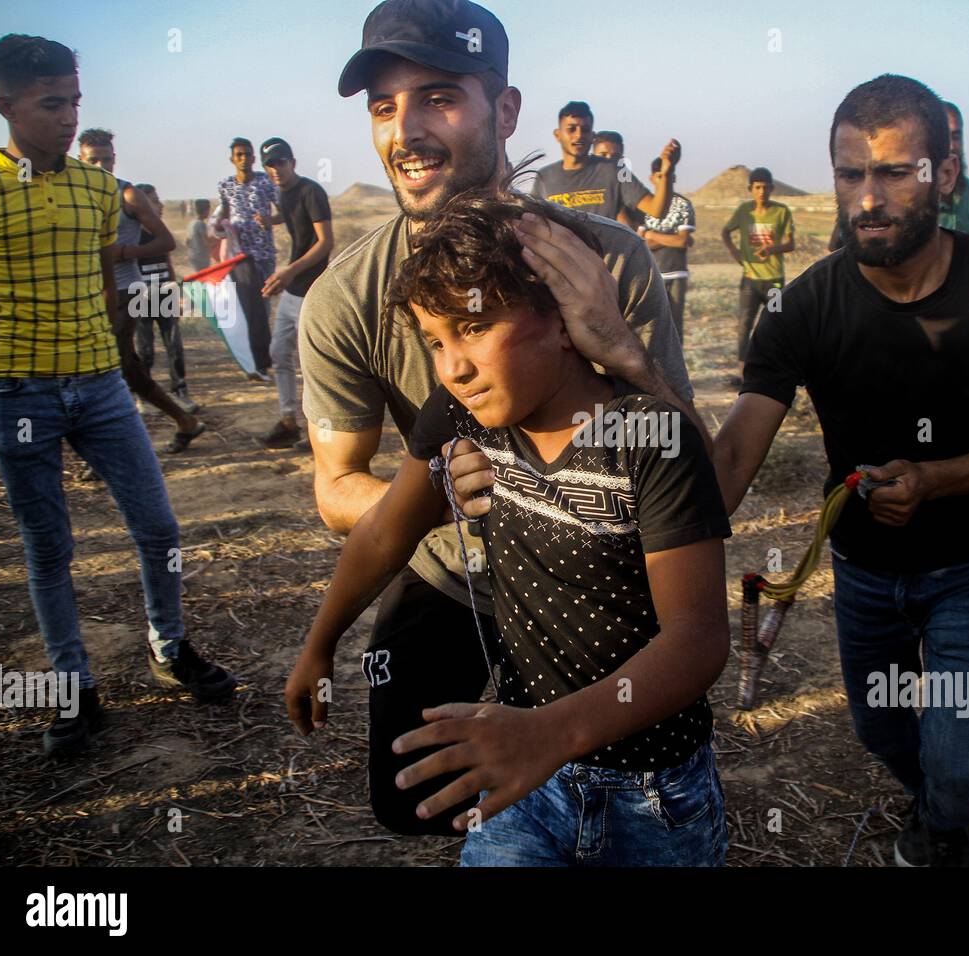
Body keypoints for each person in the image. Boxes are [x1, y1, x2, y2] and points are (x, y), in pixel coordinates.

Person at [288, 0, 697, 840]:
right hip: (445, 571)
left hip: (594, 564)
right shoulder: (342, 299)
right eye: (383, 107)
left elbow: (692, 466)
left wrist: (618, 345)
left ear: (504, 110)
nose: (406, 130)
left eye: (438, 97)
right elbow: (338, 495)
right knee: (420, 798)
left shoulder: (605, 261)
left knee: (621, 769)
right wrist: (440, 495)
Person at [713, 74, 969, 865]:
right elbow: (735, 454)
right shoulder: (801, 307)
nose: (867, 199)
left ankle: (943, 823)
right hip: (864, 573)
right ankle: (930, 795)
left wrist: (936, 481)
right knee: (879, 727)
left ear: (944, 174)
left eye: (893, 172)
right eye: (850, 174)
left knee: (960, 770)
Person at [0, 35, 235, 757]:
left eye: (74, 101)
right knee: (47, 546)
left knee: (158, 527)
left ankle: (170, 646)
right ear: (5, 107)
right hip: (18, 392)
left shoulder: (97, 192)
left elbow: (100, 284)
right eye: (51, 104)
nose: (67, 117)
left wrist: (124, 370)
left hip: (100, 387)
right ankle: (72, 683)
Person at [77, 129, 204, 451]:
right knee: (126, 367)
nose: (101, 166)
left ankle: (108, 447)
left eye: (107, 159)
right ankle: (184, 421)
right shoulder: (74, 196)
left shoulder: (128, 195)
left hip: (124, 290)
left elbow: (166, 241)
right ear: (80, 160)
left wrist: (124, 252)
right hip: (86, 293)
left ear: (115, 159)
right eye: (94, 160)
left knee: (108, 367)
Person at [259, 137, 333, 452]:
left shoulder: (311, 191)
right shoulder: (284, 194)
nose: (276, 169)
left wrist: (289, 270)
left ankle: (321, 434)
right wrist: (270, 219)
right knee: (278, 353)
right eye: (270, 165)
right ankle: (289, 420)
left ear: (293, 163)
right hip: (292, 289)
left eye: (280, 162)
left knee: (312, 364)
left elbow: (325, 242)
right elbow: (291, 217)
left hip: (311, 290)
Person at [532, 101, 679, 227]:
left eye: (585, 130)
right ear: (558, 135)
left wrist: (667, 173)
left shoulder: (616, 169)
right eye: (571, 129)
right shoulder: (544, 177)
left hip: (603, 259)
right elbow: (532, 223)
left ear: (592, 136)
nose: (579, 135)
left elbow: (657, 210)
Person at [217, 137, 280, 381]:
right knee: (245, 308)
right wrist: (222, 230)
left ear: (254, 158)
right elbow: (221, 215)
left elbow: (284, 213)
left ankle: (263, 361)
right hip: (238, 258)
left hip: (263, 255)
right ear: (232, 159)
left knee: (262, 309)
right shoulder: (225, 186)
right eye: (239, 155)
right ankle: (253, 361)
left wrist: (270, 221)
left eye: (247, 154)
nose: (244, 159)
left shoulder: (266, 183)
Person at [722, 166, 795, 374]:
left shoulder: (782, 212)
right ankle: (742, 371)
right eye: (757, 187)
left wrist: (773, 248)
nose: (761, 191)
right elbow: (725, 232)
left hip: (775, 280)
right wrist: (736, 254)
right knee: (745, 325)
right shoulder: (744, 211)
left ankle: (776, 368)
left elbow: (791, 244)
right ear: (750, 189)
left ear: (772, 188)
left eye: (765, 187)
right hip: (750, 279)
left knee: (778, 324)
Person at [132, 183, 196, 415]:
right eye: (153, 200)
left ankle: (180, 391)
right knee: (145, 350)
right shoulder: (133, 234)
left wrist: (174, 290)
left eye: (159, 200)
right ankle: (144, 398)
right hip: (140, 296)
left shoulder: (161, 231)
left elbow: (168, 263)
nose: (159, 206)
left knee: (174, 345)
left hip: (165, 292)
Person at [640, 155, 696, 343]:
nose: (665, 180)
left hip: (676, 273)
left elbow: (682, 242)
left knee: (675, 326)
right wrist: (673, 238)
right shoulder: (645, 205)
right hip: (651, 275)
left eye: (669, 175)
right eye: (660, 176)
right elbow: (640, 243)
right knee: (650, 327)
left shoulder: (683, 205)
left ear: (674, 178)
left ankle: (675, 371)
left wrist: (652, 235)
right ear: (652, 178)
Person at [939, 102, 969, 235]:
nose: (951, 145)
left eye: (956, 136)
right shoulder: (918, 195)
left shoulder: (967, 189)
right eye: (943, 137)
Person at [186, 198, 212, 273]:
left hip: (193, 256)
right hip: (202, 259)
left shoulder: (191, 223)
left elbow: (187, 241)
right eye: (208, 210)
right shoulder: (201, 224)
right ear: (205, 210)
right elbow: (206, 242)